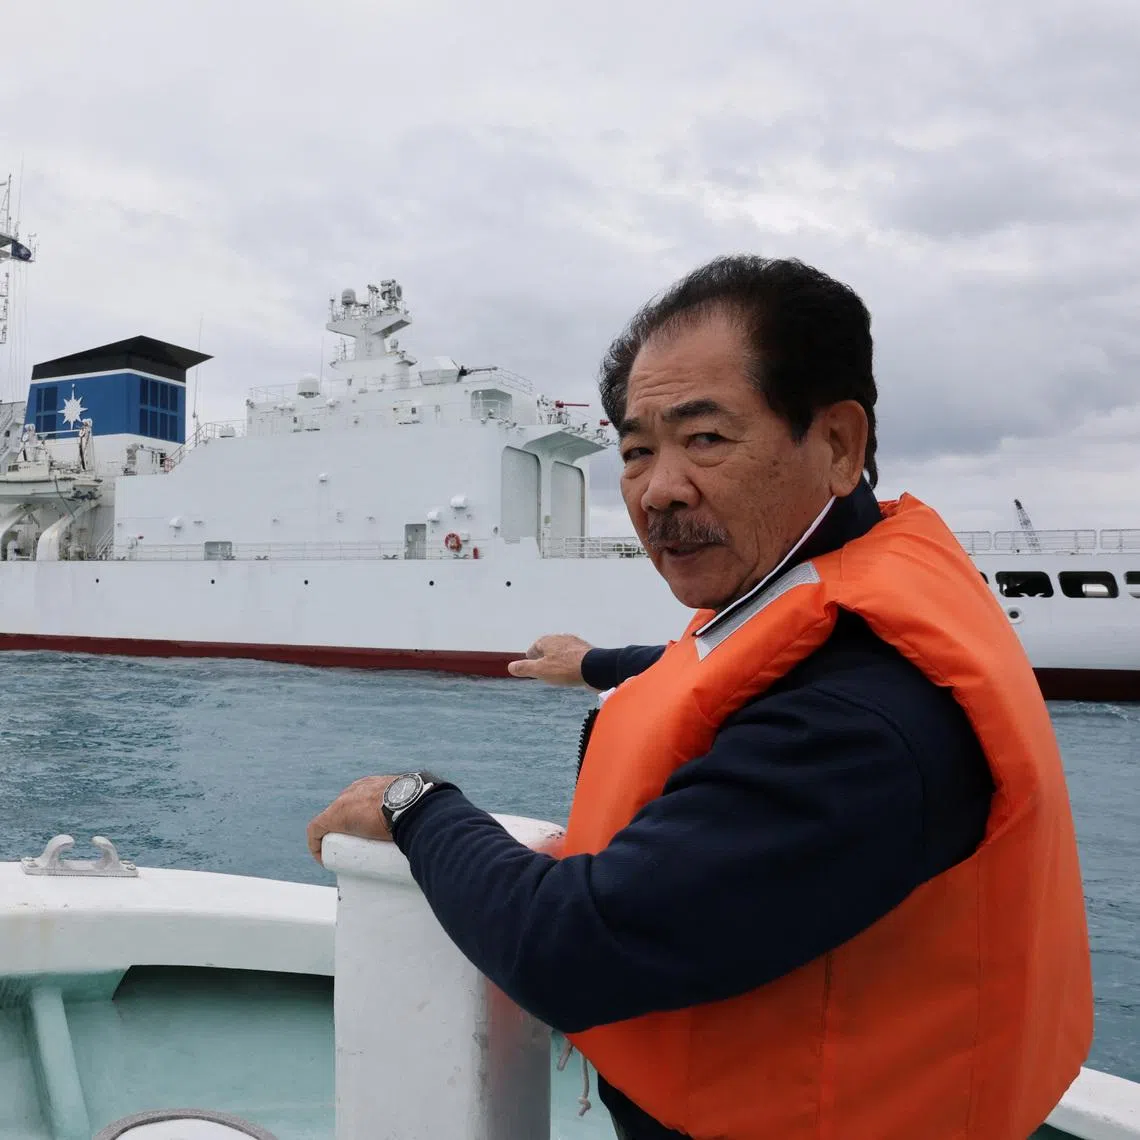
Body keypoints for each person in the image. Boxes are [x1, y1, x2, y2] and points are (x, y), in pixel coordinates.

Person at [307, 255, 1093, 1139]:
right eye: (637, 451)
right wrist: (598, 662)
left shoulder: (859, 724)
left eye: (705, 438)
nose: (658, 490)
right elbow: (716, 666)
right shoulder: (828, 590)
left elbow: (570, 951)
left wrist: (418, 805)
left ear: (837, 444)